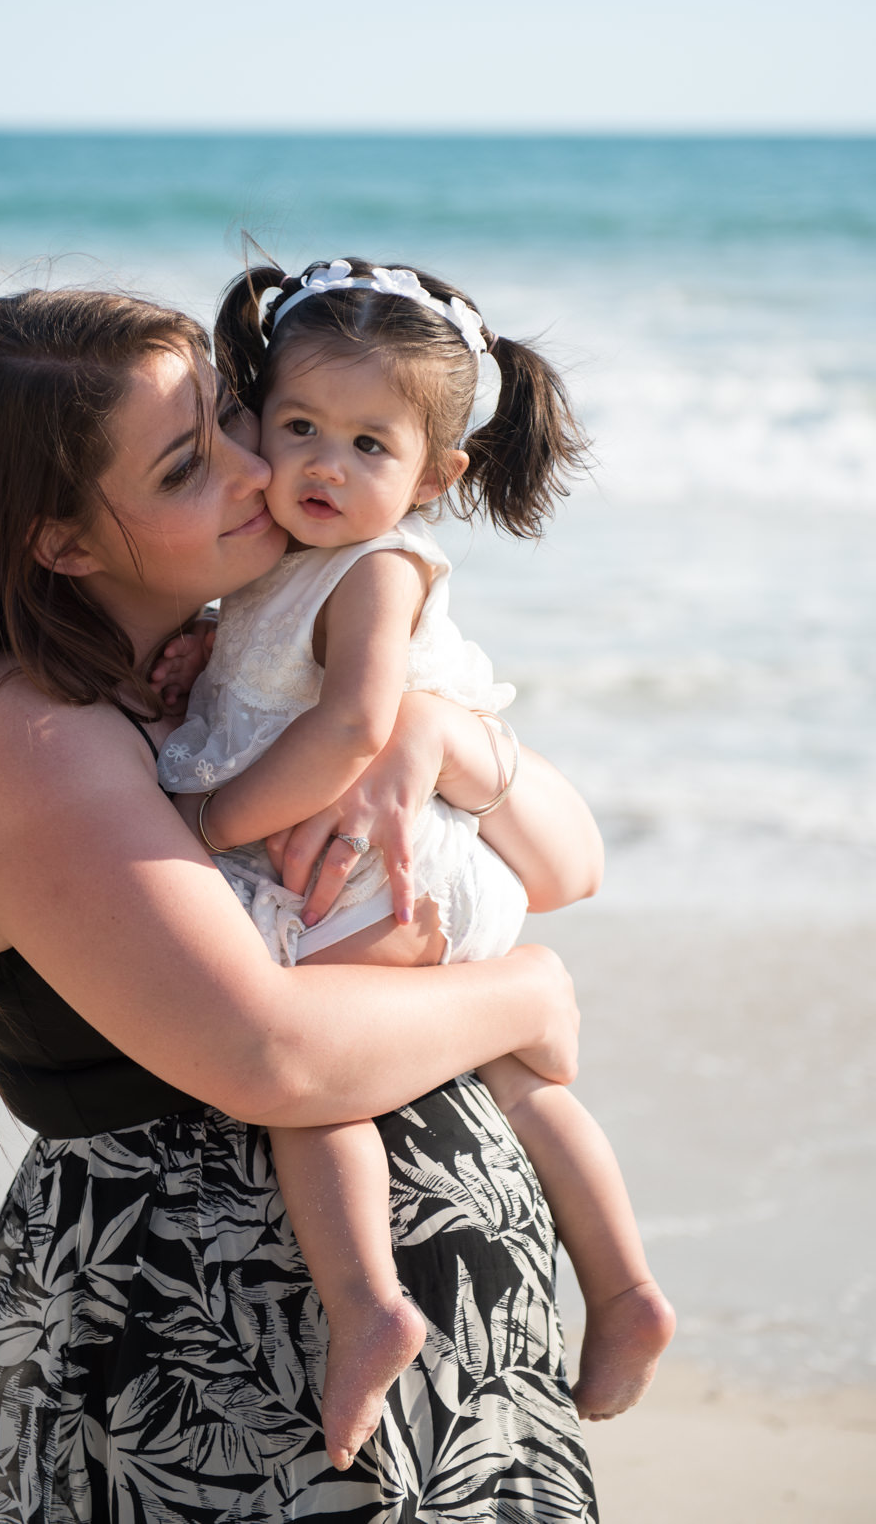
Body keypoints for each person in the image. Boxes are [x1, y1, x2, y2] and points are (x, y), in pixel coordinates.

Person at [0, 286, 603, 1522]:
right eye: (191, 463)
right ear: (64, 541)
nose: (260, 470)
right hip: (211, 1351)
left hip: (340, 1338)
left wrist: (435, 731)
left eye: (237, 418)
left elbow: (566, 864)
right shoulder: (38, 738)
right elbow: (270, 1055)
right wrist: (526, 990)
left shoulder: (219, 667)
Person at [158, 257, 675, 1470]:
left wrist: (206, 824)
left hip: (390, 854)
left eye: (367, 445)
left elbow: (349, 728)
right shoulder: (275, 565)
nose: (324, 466)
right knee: (517, 1081)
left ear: (436, 477)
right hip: (370, 852)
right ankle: (626, 1285)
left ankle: (366, 1308)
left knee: (314, 1066)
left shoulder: (377, 569)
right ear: (251, 423)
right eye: (298, 429)